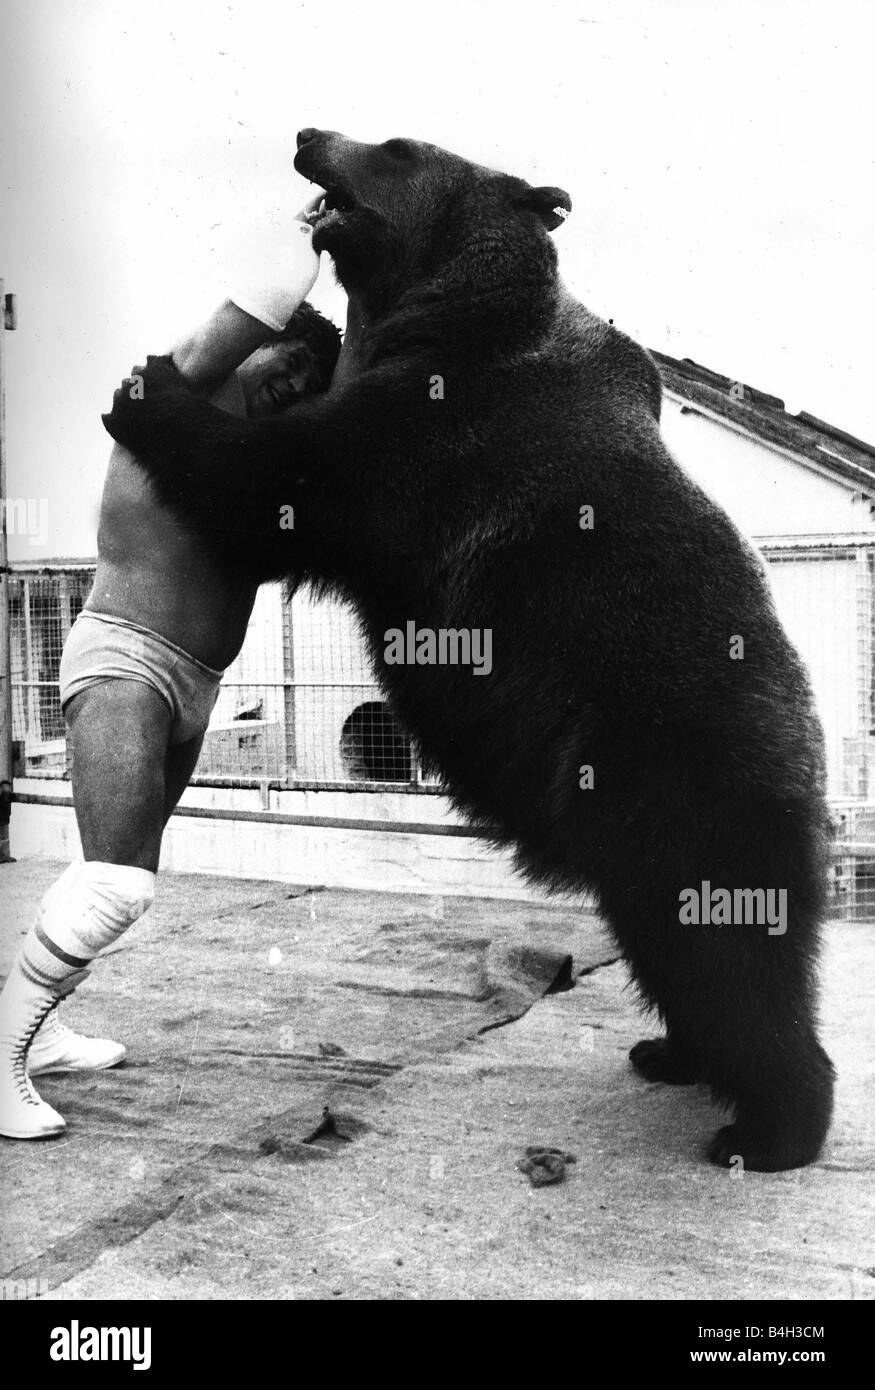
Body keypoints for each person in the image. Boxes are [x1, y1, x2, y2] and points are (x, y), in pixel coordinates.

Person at [0, 206, 341, 1139]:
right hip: (125, 660)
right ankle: (0, 1060)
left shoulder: (244, 469)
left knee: (108, 875)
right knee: (116, 885)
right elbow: (257, 305)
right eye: (289, 368)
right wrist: (317, 239)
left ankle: (43, 1026)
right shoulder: (171, 401)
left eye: (310, 386)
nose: (294, 390)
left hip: (196, 683)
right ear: (253, 355)